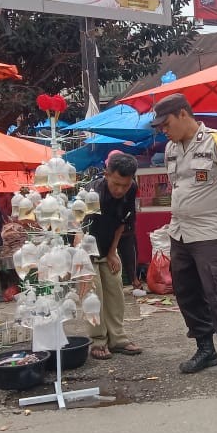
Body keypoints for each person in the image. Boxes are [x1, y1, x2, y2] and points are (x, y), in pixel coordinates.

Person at [152, 93, 217, 388]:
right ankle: (205, 349)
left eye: (166, 123)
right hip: (180, 231)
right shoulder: (172, 147)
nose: (163, 130)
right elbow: (178, 187)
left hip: (209, 232)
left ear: (183, 114)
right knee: (186, 292)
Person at [84, 153, 143, 360]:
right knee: (93, 296)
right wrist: (81, 259)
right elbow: (77, 225)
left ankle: (118, 338)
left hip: (109, 244)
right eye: (116, 184)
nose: (120, 190)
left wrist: (112, 253)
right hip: (86, 247)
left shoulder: (132, 188)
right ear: (106, 174)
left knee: (115, 290)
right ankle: (98, 341)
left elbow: (123, 222)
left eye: (125, 185)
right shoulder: (92, 192)